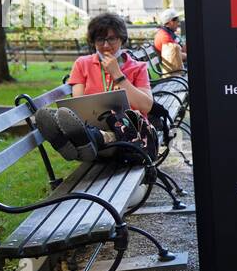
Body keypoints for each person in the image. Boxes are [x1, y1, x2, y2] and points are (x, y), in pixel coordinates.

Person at [35, 13, 157, 160]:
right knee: (65, 118)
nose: (106, 45)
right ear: (93, 41)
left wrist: (118, 75)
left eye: (111, 39)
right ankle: (79, 141)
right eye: (100, 40)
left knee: (104, 134)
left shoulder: (138, 67)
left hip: (130, 133)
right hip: (91, 126)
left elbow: (146, 107)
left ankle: (83, 141)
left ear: (122, 39)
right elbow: (77, 105)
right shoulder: (82, 64)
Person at [154, 7, 185, 72]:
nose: (178, 23)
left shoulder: (167, 32)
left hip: (176, 65)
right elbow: (175, 56)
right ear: (171, 22)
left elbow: (181, 49)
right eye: (177, 21)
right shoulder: (165, 36)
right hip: (174, 69)